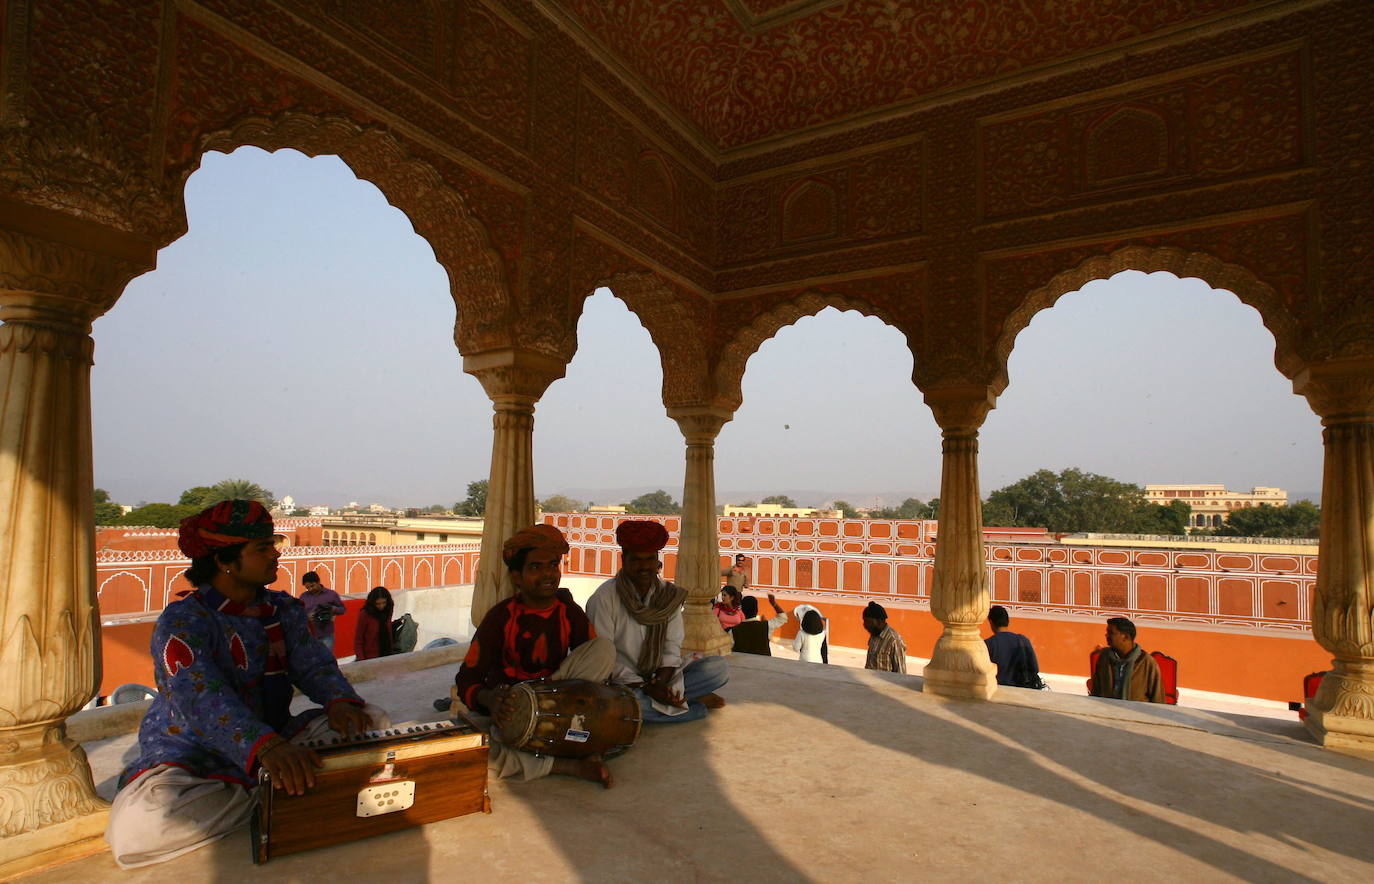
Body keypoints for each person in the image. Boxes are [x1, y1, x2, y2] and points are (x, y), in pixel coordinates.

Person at [105, 500, 385, 869]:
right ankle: (275, 789)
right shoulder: (184, 622)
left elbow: (312, 664)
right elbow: (201, 699)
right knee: (141, 824)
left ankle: (274, 785)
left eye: (273, 545)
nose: (276, 555)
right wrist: (263, 748)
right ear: (224, 560)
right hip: (193, 753)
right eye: (262, 549)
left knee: (372, 719)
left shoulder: (282, 609)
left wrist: (338, 702)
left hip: (276, 737)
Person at [453, 524, 617, 787]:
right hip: (514, 709)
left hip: (556, 701)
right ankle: (566, 764)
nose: (548, 574)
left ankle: (559, 747)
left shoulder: (568, 611)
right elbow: (466, 679)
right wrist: (490, 699)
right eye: (535, 567)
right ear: (516, 577)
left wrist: (559, 693)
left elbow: (592, 659)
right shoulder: (500, 617)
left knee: (604, 649)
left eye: (553, 565)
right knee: (477, 751)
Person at [586, 520, 728, 724]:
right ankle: (695, 706)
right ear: (623, 560)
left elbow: (672, 646)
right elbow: (603, 657)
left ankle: (668, 704)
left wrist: (660, 683)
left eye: (650, 559)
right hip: (622, 682)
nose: (644, 567)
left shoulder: (667, 595)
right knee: (618, 705)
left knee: (718, 668)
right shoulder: (604, 599)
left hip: (661, 676)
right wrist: (646, 688)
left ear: (657, 561)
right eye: (636, 560)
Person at [1090, 616, 1166, 703]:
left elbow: (1158, 699)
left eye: (1111, 633)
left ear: (1125, 637)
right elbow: (1096, 690)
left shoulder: (1147, 663)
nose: (1107, 636)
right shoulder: (1104, 657)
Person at [984, 605, 1044, 689]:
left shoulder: (988, 644)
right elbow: (1035, 668)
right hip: (1023, 690)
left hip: (1000, 690)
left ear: (991, 622)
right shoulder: (1023, 640)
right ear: (1008, 621)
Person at [300, 570, 345, 654]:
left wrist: (333, 609)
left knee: (326, 659)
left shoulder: (331, 594)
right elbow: (298, 615)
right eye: (307, 588)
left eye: (312, 586)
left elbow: (342, 610)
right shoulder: (303, 597)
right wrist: (307, 617)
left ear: (318, 582)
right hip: (310, 636)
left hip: (326, 634)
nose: (310, 589)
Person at [862, 601, 907, 674]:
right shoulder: (874, 635)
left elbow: (900, 672)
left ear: (879, 621)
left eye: (868, 622)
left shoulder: (894, 640)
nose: (864, 625)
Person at [354, 586, 395, 660]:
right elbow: (359, 639)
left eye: (383, 603)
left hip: (388, 654)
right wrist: (361, 659)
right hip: (370, 657)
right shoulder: (365, 614)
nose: (381, 606)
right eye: (378, 604)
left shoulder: (388, 610)